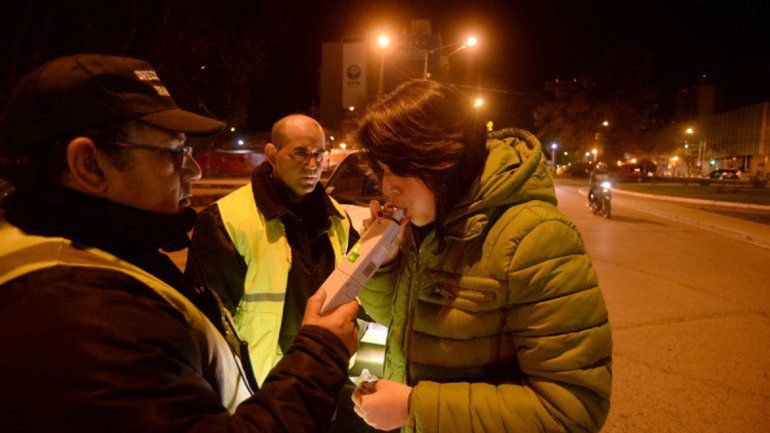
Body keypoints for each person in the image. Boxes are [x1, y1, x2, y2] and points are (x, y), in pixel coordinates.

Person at [0, 54, 359, 433]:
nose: (195, 171)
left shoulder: (98, 252)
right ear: (90, 164)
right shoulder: (77, 314)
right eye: (174, 153)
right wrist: (321, 352)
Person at [350, 80, 612, 432]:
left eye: (402, 168)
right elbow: (408, 326)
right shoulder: (426, 225)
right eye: (383, 170)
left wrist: (416, 408)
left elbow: (573, 408)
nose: (388, 187)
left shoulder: (538, 238)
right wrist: (384, 263)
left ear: (447, 160)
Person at [186, 114, 359, 386]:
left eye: (319, 154)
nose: (313, 165)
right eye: (300, 153)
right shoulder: (226, 220)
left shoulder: (337, 217)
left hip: (323, 376)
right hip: (258, 388)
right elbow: (207, 327)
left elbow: (361, 293)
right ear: (271, 154)